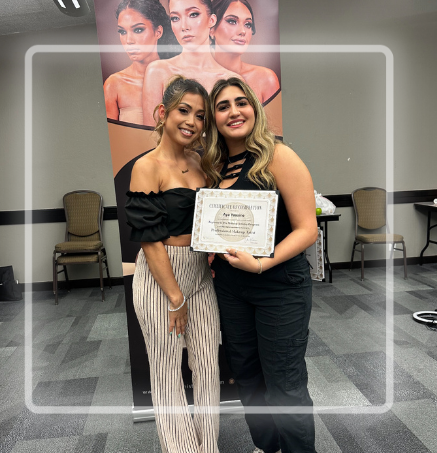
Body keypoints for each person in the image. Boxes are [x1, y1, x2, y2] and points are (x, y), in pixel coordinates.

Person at [202, 78, 318, 453]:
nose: (234, 112)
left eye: (241, 102)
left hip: (280, 286)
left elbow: (307, 230)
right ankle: (269, 447)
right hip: (231, 288)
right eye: (222, 106)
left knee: (284, 382)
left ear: (254, 107)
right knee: (248, 377)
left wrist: (261, 264)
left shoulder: (278, 156)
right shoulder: (214, 166)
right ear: (214, 118)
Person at [125, 76, 220, 453]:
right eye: (184, 110)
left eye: (200, 115)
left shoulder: (200, 162)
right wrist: (175, 297)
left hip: (199, 274)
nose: (192, 121)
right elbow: (150, 240)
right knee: (166, 372)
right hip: (161, 279)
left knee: (208, 366)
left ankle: (207, 447)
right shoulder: (146, 166)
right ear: (162, 113)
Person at [142, 0, 241, 126]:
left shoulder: (232, 79)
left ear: (212, 20)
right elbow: (149, 134)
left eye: (193, 14)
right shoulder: (158, 71)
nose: (184, 26)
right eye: (175, 18)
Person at [103, 0, 179, 125]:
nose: (129, 40)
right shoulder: (114, 85)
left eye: (138, 30)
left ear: (158, 32)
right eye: (122, 32)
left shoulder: (179, 78)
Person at [210, 0, 280, 104]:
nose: (242, 31)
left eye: (248, 24)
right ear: (211, 28)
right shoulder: (194, 79)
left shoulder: (266, 79)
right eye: (232, 21)